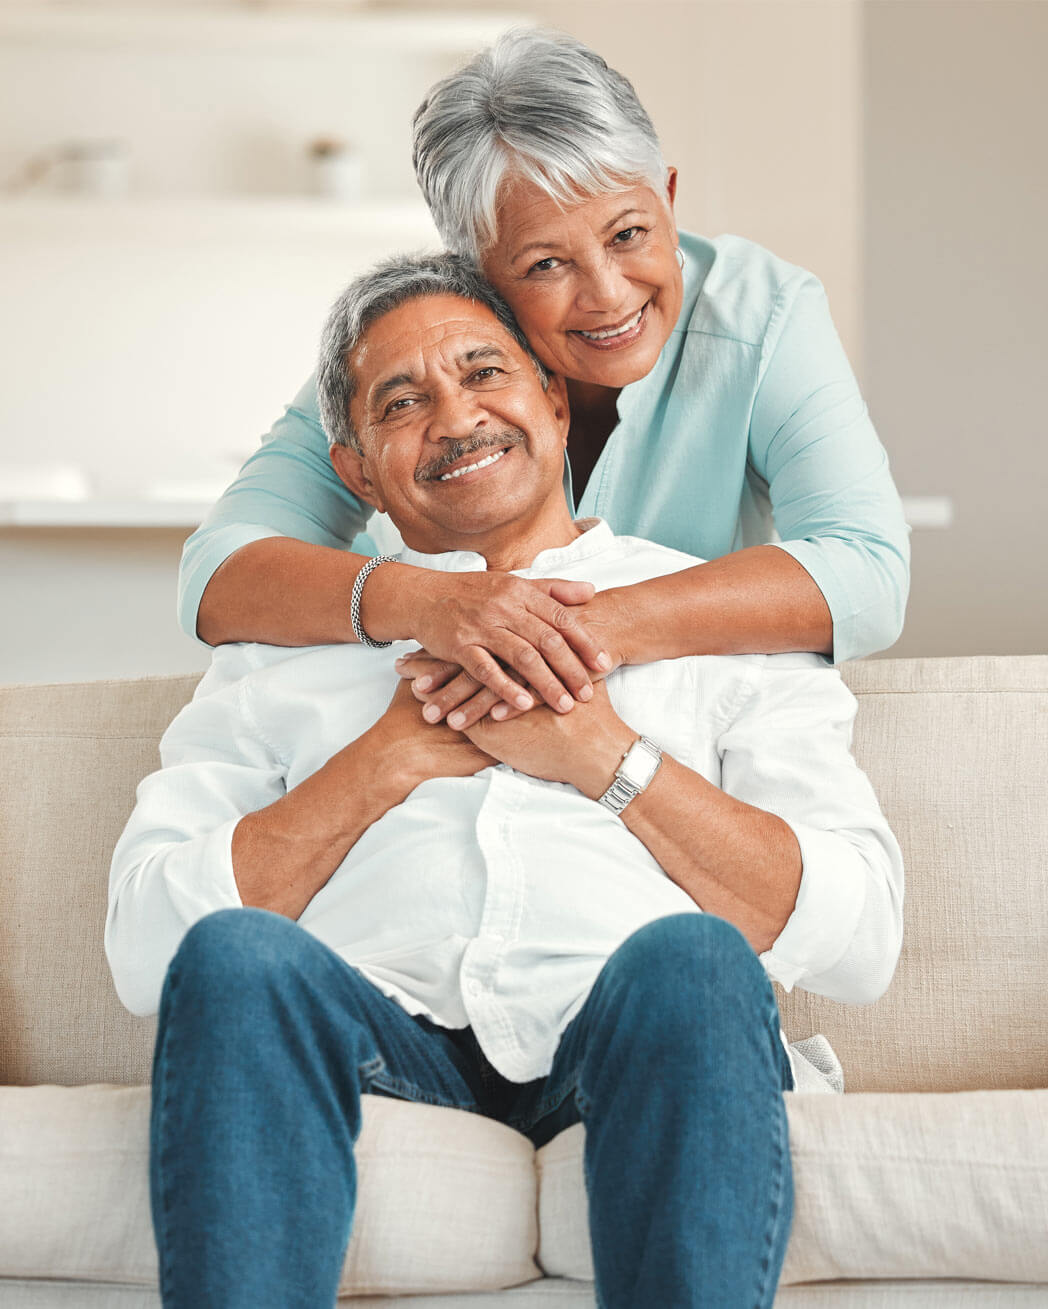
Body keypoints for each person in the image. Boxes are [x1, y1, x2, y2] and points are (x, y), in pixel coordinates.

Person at [109, 254, 904, 1308]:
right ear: (355, 471)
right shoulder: (278, 645)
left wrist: (606, 758)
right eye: (402, 402)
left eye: (485, 372)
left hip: (626, 1027)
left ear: (556, 402)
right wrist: (385, 760)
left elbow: (861, 939)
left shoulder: (719, 619)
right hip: (373, 1031)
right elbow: (147, 951)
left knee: (695, 960)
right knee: (234, 955)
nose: (456, 417)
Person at [177, 28, 910, 735]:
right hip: (435, 717)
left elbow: (868, 572)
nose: (609, 296)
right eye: (545, 264)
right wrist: (431, 605)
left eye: (629, 234)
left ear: (668, 196)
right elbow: (217, 574)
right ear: (473, 270)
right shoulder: (415, 343)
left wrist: (566, 633)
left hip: (672, 726)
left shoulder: (765, 313)